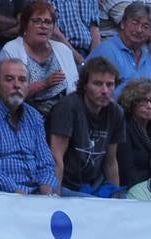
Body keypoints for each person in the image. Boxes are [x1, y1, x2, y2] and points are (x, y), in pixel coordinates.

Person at [0, 57, 58, 193]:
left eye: (22, 80)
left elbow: (46, 163)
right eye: (9, 79)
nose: (17, 85)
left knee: (79, 205)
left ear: (28, 86)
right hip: (1, 194)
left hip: (36, 193)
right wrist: (16, 191)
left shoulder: (34, 116)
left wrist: (46, 188)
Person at [47, 55, 124, 196]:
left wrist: (116, 198)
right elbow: (56, 158)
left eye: (110, 84)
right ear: (84, 85)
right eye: (98, 84)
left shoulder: (116, 112)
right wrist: (54, 199)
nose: (105, 90)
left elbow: (111, 162)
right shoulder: (67, 108)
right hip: (66, 186)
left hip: (94, 186)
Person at [1, 0, 78, 113]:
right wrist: (44, 84)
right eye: (37, 21)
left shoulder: (63, 50)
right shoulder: (11, 50)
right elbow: (6, 94)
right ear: (25, 25)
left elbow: (75, 89)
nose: (43, 26)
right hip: (24, 113)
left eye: (48, 22)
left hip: (64, 115)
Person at [115, 76, 151, 185]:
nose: (149, 106)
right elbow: (127, 173)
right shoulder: (124, 128)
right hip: (133, 188)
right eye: (143, 101)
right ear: (131, 102)